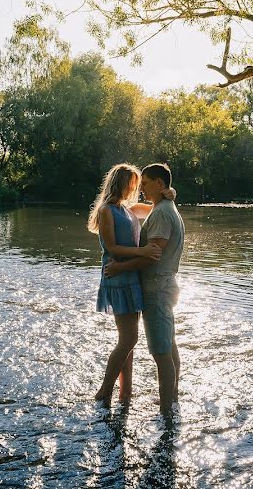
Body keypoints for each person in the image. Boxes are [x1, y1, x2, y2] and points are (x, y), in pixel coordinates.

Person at [87, 163, 173, 405]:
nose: (137, 188)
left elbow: (157, 207)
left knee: (128, 341)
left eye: (140, 183)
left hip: (131, 278)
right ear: (120, 183)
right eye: (133, 183)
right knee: (128, 339)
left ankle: (126, 392)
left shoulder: (128, 208)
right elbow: (112, 247)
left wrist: (171, 193)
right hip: (116, 277)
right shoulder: (106, 211)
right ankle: (104, 391)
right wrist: (143, 251)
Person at [105, 163, 184, 416]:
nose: (141, 188)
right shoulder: (163, 207)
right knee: (168, 346)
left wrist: (120, 267)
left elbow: (152, 256)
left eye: (146, 183)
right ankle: (171, 398)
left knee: (161, 352)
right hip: (162, 285)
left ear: (159, 184)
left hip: (158, 287)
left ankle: (166, 413)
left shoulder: (161, 213)